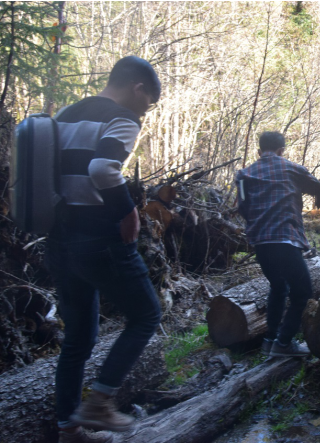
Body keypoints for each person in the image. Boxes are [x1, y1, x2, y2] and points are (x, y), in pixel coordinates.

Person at [47, 56, 162, 443]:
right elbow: (102, 169)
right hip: (99, 238)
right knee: (146, 315)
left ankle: (69, 430)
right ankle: (99, 403)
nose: (145, 111)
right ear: (137, 88)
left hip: (59, 239)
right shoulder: (123, 118)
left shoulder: (64, 115)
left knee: (78, 339)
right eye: (148, 103)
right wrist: (128, 211)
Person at [236, 131, 320, 357]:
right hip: (286, 240)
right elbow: (318, 187)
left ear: (259, 152)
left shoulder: (244, 174)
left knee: (278, 286)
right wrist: (319, 199)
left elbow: (242, 207)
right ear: (281, 151)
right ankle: (284, 342)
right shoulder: (292, 169)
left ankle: (270, 340)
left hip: (261, 243)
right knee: (303, 292)